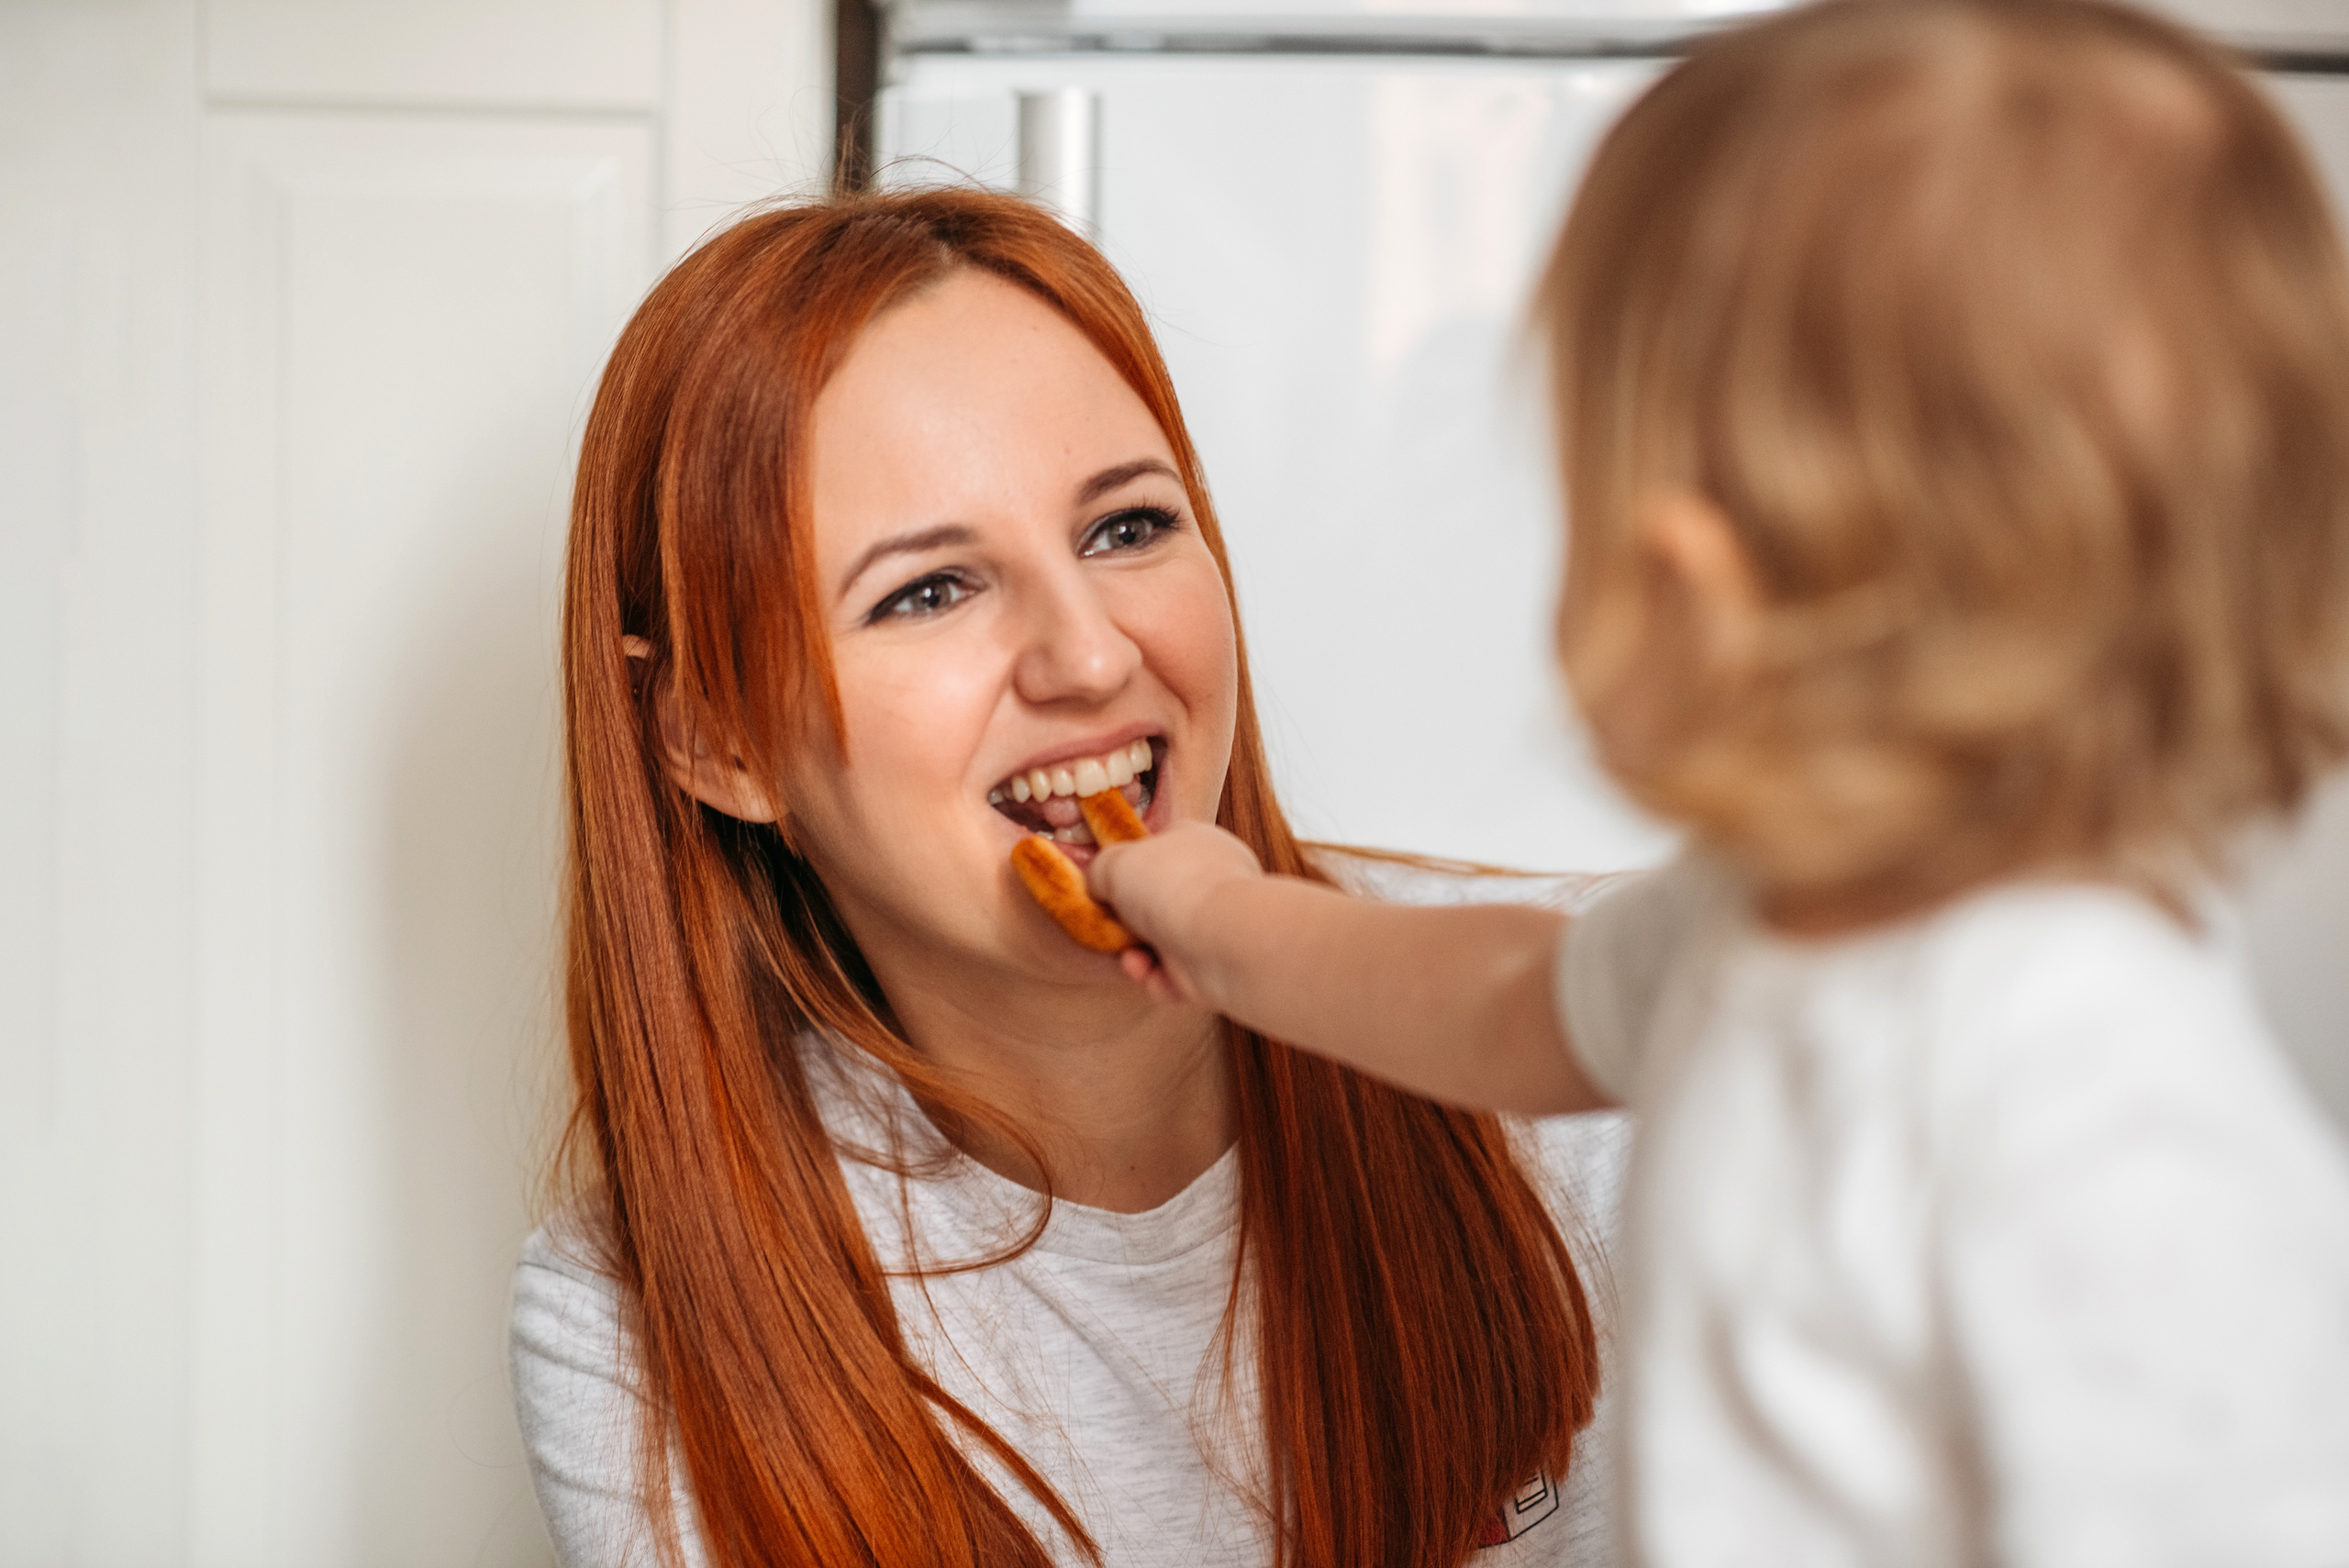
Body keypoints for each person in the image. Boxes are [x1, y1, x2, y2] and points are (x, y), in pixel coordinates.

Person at [1088, 2, 2349, 1563]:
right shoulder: (1772, 928)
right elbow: (1501, 1002)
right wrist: (1225, 916)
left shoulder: (2097, 1107)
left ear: (1690, 588)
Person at [508, 186, 1630, 1568]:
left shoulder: (1583, 1055)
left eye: (1125, 529)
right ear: (716, 738)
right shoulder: (631, 1322)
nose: (1091, 657)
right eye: (929, 590)